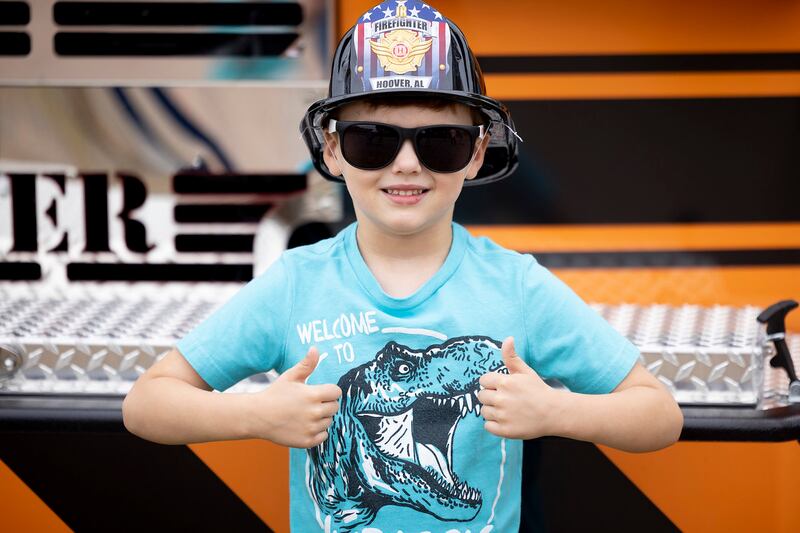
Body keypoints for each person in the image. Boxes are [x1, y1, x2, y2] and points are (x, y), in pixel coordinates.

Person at [122, 1, 684, 531]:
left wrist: (557, 413)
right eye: (373, 141)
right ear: (333, 150)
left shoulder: (518, 287)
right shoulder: (296, 284)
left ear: (477, 153)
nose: (408, 164)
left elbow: (659, 416)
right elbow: (148, 404)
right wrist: (256, 416)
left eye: (442, 141)